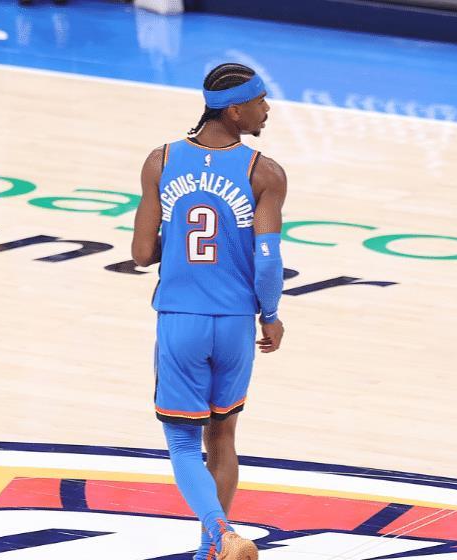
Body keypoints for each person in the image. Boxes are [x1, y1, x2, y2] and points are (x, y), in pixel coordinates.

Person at [131, 62, 287, 560]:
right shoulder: (264, 172)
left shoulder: (161, 160)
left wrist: (178, 242)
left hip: (181, 318)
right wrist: (270, 315)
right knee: (223, 436)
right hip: (235, 323)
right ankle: (209, 552)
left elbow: (141, 253)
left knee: (182, 443)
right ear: (235, 110)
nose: (267, 109)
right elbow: (268, 261)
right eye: (260, 101)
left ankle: (220, 534)